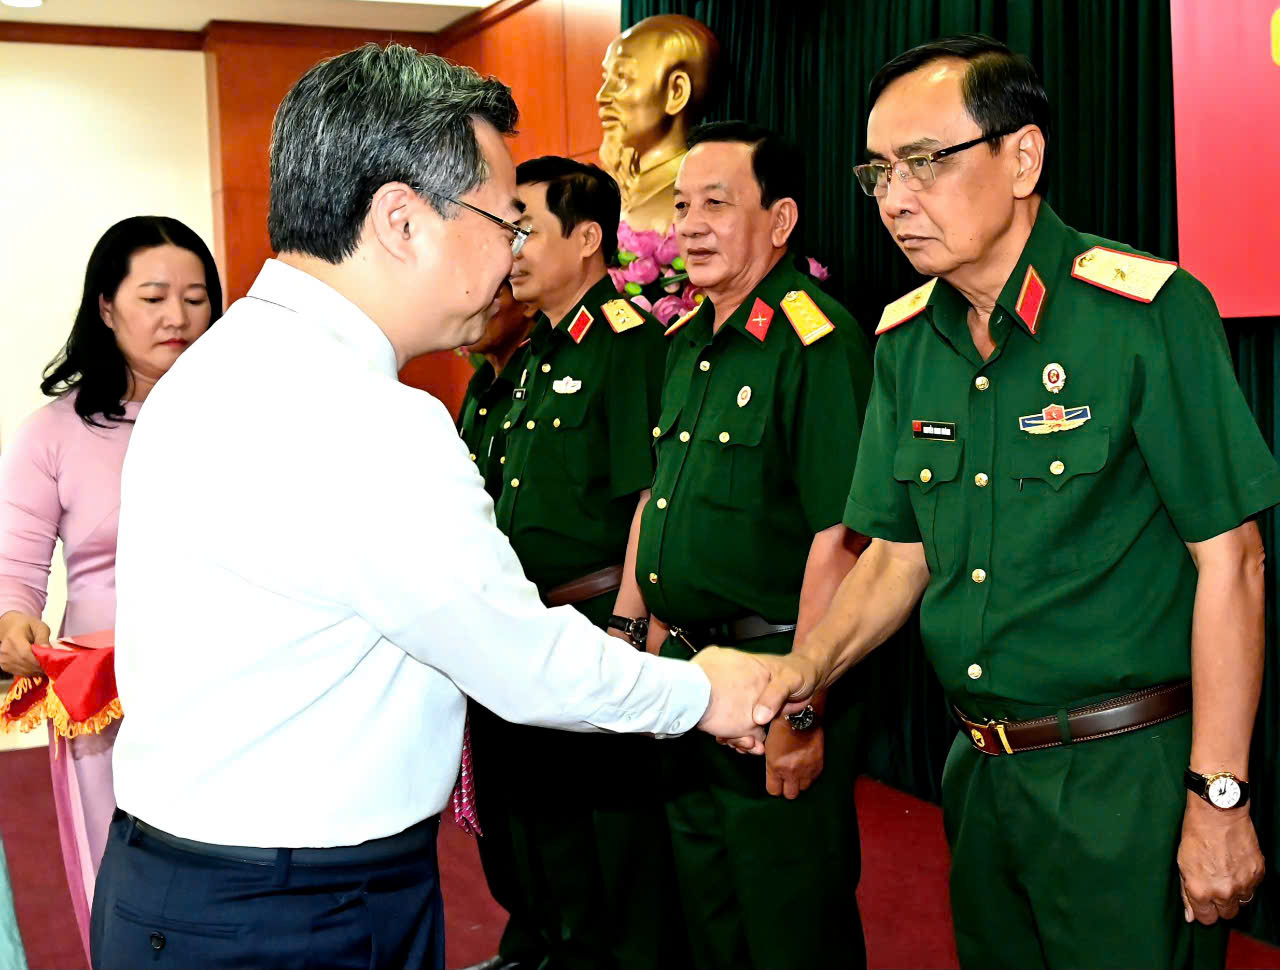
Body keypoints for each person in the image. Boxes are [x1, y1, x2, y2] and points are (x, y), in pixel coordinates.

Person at [91, 45, 812, 970]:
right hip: (296, 911)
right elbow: (524, 665)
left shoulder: (215, 367)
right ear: (402, 220)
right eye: (502, 218)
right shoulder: (368, 418)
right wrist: (707, 691)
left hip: (175, 881)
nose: (511, 251)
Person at [790, 34, 1279, 970]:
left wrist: (1219, 796)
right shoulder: (906, 342)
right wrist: (804, 669)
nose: (895, 198)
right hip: (982, 772)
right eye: (879, 171)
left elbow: (1235, 562)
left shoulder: (1142, 313)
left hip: (1125, 779)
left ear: (1022, 158)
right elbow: (897, 554)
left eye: (925, 161)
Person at [612, 121, 874, 969]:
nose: (690, 226)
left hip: (771, 687)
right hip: (688, 685)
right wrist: (640, 647)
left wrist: (803, 705)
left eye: (717, 205)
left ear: (781, 219)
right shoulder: (688, 342)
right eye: (682, 206)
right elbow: (664, 503)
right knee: (712, 926)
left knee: (791, 929)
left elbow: (842, 539)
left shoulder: (815, 342)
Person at [467, 155, 682, 970]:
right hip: (533, 621)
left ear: (588, 239)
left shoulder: (625, 344)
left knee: (611, 837)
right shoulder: (534, 355)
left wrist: (627, 628)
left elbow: (649, 495)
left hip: (595, 618)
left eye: (525, 228)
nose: (510, 247)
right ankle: (546, 950)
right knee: (541, 820)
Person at [0, 215, 220, 963]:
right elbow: (15, 571)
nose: (177, 316)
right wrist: (15, 622)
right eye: (153, 297)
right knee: (124, 881)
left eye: (196, 297)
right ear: (106, 306)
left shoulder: (241, 417)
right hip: (106, 698)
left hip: (231, 682)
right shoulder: (53, 434)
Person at [597, 14, 719, 232]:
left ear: (676, 92)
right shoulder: (599, 195)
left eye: (622, 77)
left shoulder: (698, 196)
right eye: (606, 79)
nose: (602, 96)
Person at [457, 280, 535, 496]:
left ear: (528, 304)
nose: (473, 309)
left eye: (492, 295)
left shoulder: (542, 381)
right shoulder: (480, 383)